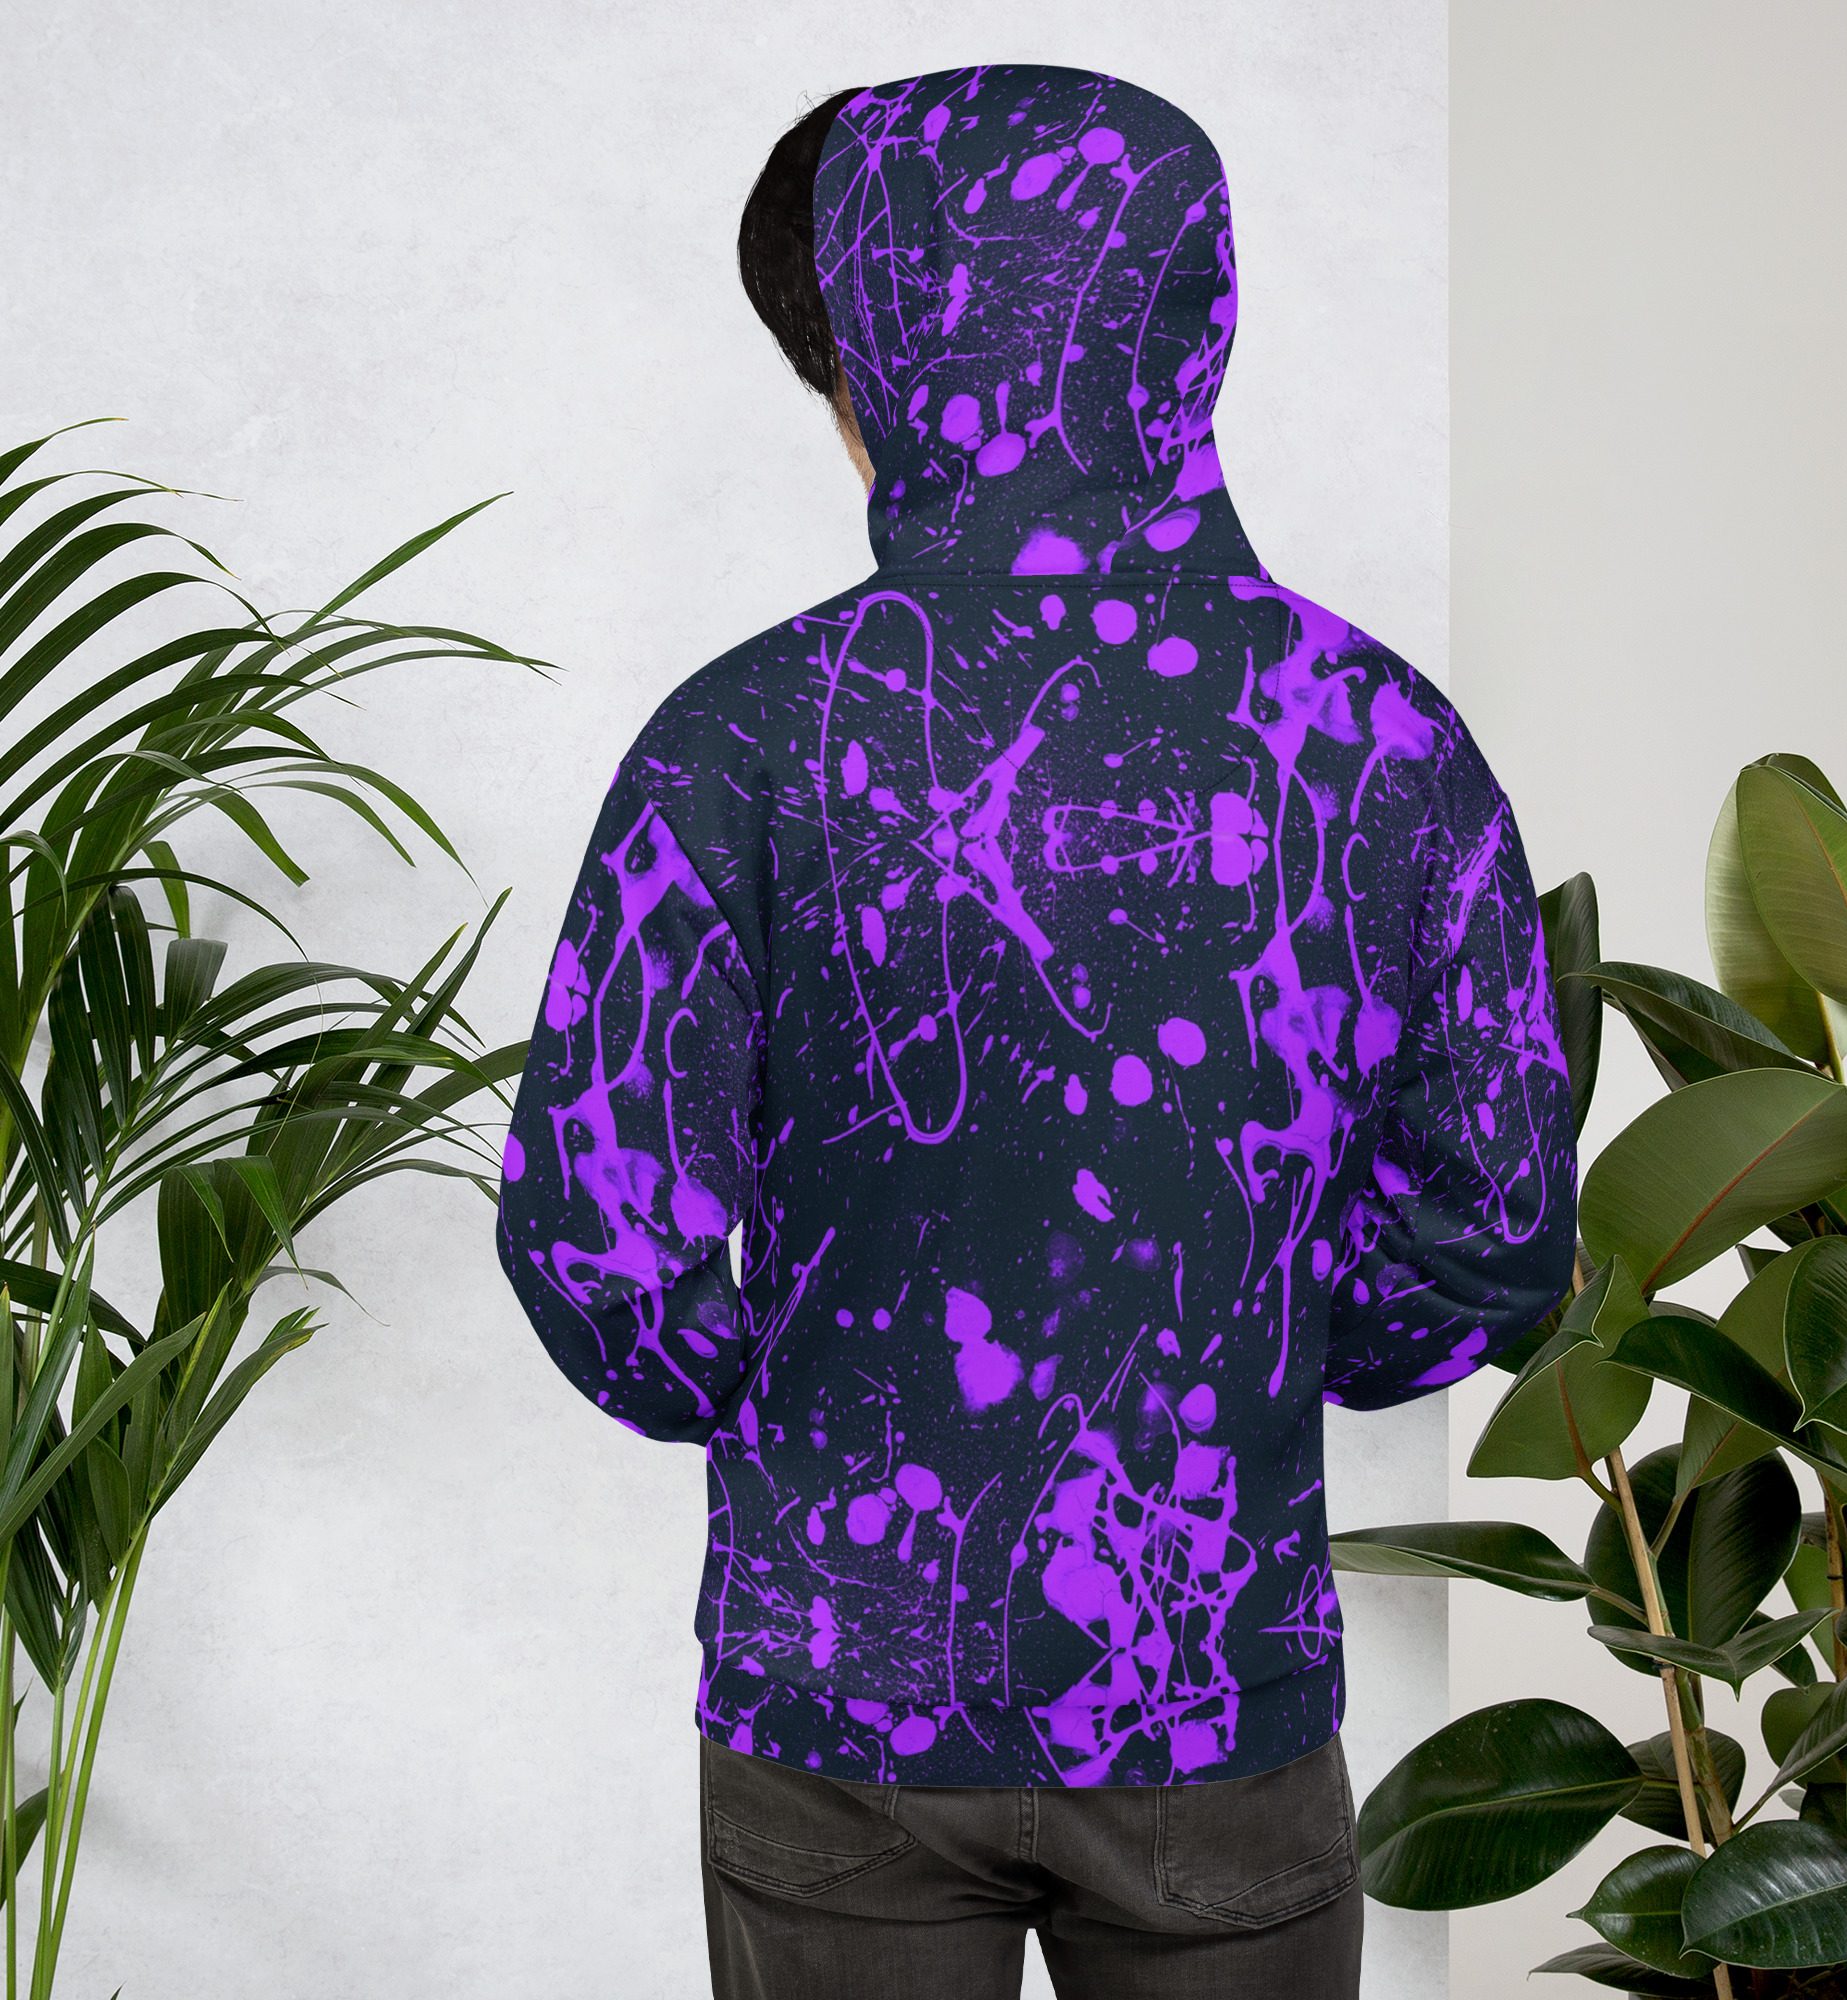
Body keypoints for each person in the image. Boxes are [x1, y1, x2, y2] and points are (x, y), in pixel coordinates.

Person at [495, 63, 1576, 2000]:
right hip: (1213, 1681)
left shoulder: (738, 740)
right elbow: (1492, 1226)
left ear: (879, 359)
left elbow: (601, 1243)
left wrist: (791, 1401)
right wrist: (1265, 1355)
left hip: (841, 1691)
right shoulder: (1379, 737)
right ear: (1185, 313)